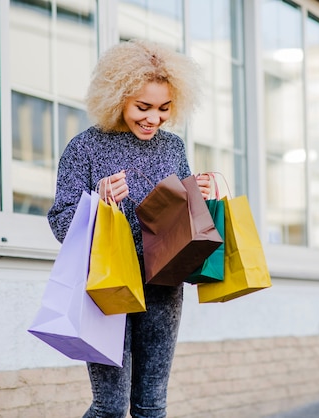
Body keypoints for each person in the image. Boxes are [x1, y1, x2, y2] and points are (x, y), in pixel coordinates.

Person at [47, 39, 210, 418]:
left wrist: (196, 196)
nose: (154, 118)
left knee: (151, 407)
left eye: (164, 108)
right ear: (117, 96)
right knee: (111, 407)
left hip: (162, 289)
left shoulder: (172, 148)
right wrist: (98, 203)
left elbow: (182, 226)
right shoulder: (83, 148)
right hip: (107, 287)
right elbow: (60, 222)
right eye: (143, 107)